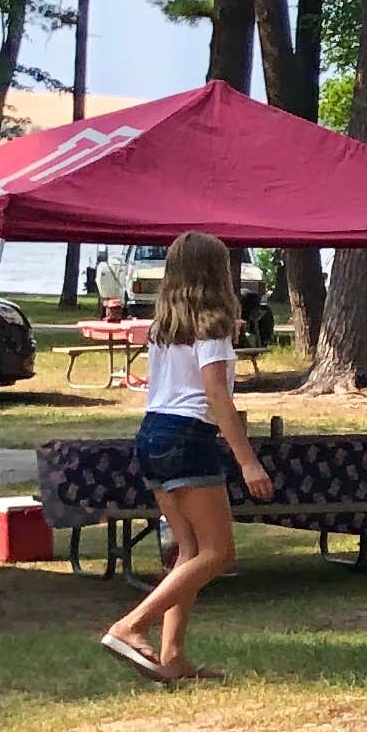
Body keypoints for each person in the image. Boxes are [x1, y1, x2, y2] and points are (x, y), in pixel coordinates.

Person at [99, 232, 273, 683]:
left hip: (153, 434)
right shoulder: (211, 327)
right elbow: (217, 395)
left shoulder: (164, 327)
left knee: (188, 552)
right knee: (219, 553)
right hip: (188, 436)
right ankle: (130, 626)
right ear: (217, 274)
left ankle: (173, 656)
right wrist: (247, 460)